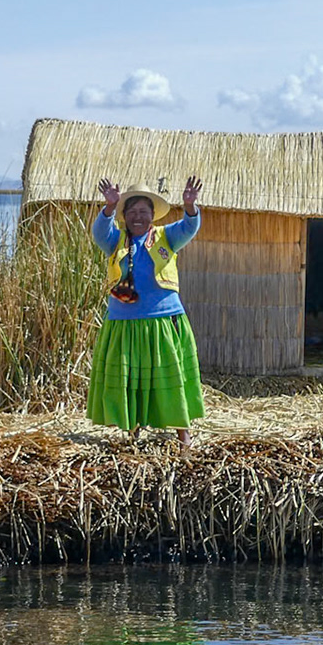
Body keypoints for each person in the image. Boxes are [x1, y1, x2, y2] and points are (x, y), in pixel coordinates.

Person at [88, 177, 206, 446]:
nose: (137, 217)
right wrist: (109, 207)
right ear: (124, 216)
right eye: (131, 212)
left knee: (170, 378)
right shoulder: (115, 240)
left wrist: (190, 206)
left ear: (152, 215)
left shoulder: (166, 237)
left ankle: (183, 437)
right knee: (132, 379)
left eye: (143, 211)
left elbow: (189, 227)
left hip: (162, 322)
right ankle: (133, 433)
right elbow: (99, 232)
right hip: (125, 323)